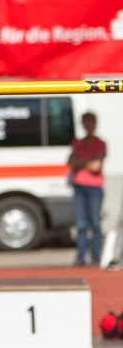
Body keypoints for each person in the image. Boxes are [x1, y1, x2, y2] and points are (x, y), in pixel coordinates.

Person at [68, 112, 107, 266]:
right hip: (79, 187)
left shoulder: (100, 143)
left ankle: (96, 256)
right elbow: (71, 162)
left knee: (95, 223)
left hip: (94, 188)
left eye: (90, 122)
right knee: (81, 224)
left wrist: (81, 162)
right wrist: (88, 162)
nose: (88, 125)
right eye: (85, 122)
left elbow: (97, 166)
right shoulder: (77, 142)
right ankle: (81, 257)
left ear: (95, 124)